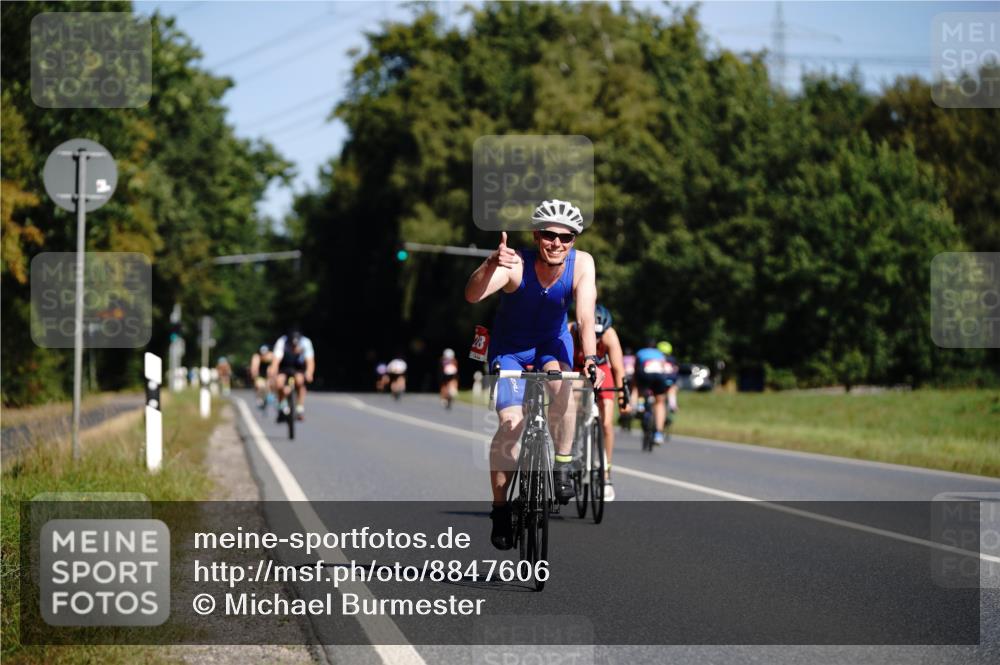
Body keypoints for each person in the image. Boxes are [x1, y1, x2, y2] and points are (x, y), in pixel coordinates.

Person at [464, 199, 600, 551]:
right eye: (548, 235)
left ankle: (563, 464)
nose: (557, 243)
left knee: (562, 386)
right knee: (511, 423)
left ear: (574, 240)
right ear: (536, 234)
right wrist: (490, 263)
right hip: (511, 349)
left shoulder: (582, 264)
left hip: (553, 345)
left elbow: (585, 316)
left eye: (566, 237)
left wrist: (592, 359)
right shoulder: (516, 265)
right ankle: (500, 508)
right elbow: (472, 294)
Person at [568, 303, 630, 501]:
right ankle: (572, 450)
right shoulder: (570, 331)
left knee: (606, 423)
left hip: (602, 370)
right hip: (576, 369)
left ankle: (606, 474)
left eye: (597, 336)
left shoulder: (609, 335)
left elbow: (619, 369)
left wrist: (623, 397)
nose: (593, 340)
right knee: (573, 409)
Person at [634, 340, 679, 445]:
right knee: (660, 402)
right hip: (660, 376)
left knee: (640, 389)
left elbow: (636, 369)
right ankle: (658, 434)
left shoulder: (640, 352)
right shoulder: (660, 355)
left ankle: (640, 405)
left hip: (645, 375)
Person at [269, 329, 315, 422]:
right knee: (279, 383)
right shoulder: (282, 342)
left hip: (298, 367)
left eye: (296, 345)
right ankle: (282, 406)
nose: (294, 347)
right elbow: (276, 361)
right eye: (292, 345)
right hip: (284, 365)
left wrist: (309, 373)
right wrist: (272, 373)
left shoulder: (306, 342)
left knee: (300, 381)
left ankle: (299, 409)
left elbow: (310, 361)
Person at [620, 346, 637, 431]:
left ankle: (623, 410)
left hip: (625, 378)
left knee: (623, 392)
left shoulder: (622, 358)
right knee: (634, 390)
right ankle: (634, 406)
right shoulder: (634, 358)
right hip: (632, 378)